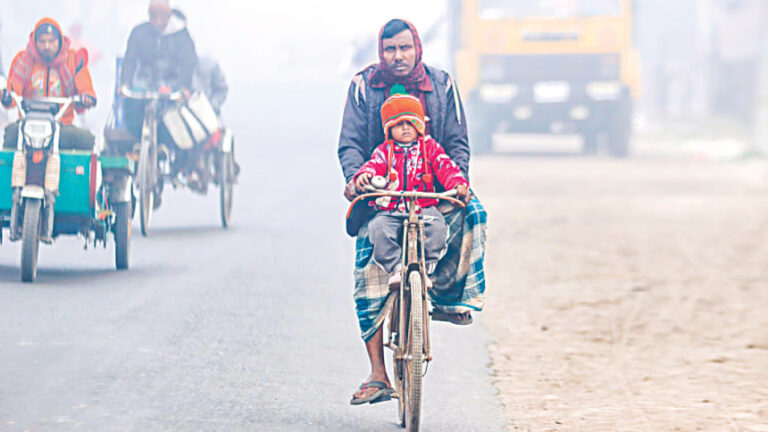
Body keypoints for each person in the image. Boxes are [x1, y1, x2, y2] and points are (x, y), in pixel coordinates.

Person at [339, 19, 488, 405]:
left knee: (473, 215)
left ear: (417, 48)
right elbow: (351, 145)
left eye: (404, 48)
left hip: (433, 191)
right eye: (390, 49)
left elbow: (457, 142)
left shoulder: (442, 85)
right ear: (380, 51)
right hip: (381, 197)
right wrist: (359, 181)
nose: (398, 56)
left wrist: (457, 186)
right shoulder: (362, 87)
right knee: (367, 271)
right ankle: (377, 375)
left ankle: (447, 296)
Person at [353, 90, 470, 295]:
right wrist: (364, 176)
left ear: (420, 125)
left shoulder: (430, 147)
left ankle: (426, 268)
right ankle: (396, 268)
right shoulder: (384, 151)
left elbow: (446, 167)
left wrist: (458, 183)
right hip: (392, 208)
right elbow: (373, 166)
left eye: (410, 122)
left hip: (424, 206)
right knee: (378, 228)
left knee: (438, 229)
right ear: (389, 129)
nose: (405, 128)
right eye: (398, 124)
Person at [1, 18, 97, 150]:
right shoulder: (23, 60)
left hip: (62, 126)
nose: (47, 46)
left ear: (60, 41)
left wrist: (87, 98)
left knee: (86, 139)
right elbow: (12, 95)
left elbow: (86, 89)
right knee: (11, 134)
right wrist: (5, 96)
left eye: (51, 41)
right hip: (27, 125)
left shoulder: (73, 60)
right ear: (35, 42)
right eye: (42, 42)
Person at [119, 0, 198, 141]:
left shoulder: (181, 36)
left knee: (173, 117)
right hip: (145, 83)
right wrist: (125, 83)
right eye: (153, 17)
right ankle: (137, 140)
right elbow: (130, 60)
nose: (157, 22)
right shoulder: (139, 33)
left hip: (171, 84)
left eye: (161, 17)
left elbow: (188, 63)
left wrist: (184, 87)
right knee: (132, 105)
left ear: (168, 16)